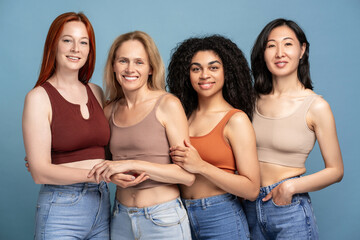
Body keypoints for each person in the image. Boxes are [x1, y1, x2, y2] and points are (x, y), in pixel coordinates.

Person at [22, 12, 142, 239]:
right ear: (53, 45)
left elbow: (110, 147)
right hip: (61, 208)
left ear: (90, 49)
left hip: (101, 203)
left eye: (83, 42)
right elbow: (39, 173)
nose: (76, 48)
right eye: (67, 40)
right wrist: (102, 175)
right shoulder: (38, 97)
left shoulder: (96, 92)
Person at [243, 18, 344, 239]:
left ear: (302, 50)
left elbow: (336, 170)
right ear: (263, 53)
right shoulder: (249, 100)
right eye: (271, 45)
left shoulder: (316, 106)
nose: (279, 52)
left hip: (287, 208)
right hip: (247, 206)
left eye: (288, 44)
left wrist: (290, 188)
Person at [88, 31, 195, 240]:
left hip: (163, 220)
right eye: (123, 61)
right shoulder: (109, 110)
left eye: (139, 62)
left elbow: (187, 176)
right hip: (120, 220)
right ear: (113, 66)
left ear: (150, 68)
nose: (130, 69)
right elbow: (102, 163)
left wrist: (131, 164)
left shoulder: (167, 104)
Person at [167, 35, 260, 240]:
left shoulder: (236, 120)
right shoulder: (181, 115)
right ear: (187, 74)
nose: (204, 75)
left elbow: (252, 189)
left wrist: (201, 166)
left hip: (221, 216)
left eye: (213, 67)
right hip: (179, 215)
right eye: (196, 68)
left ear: (227, 72)